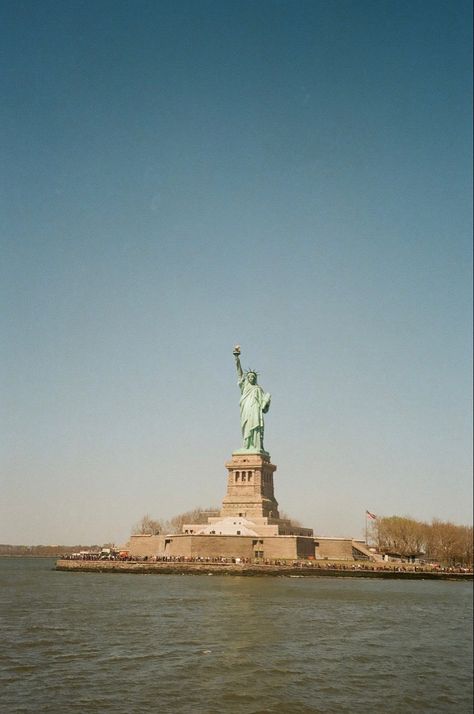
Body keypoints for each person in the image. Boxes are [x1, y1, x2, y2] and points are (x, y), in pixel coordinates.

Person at [233, 346, 271, 451]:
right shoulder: (244, 385)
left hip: (255, 409)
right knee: (247, 426)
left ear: (255, 378)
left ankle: (256, 446)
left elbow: (265, 403)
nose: (251, 378)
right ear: (247, 378)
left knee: (256, 426)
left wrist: (267, 400)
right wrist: (237, 359)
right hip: (246, 408)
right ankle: (246, 445)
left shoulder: (259, 389)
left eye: (253, 377)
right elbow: (239, 373)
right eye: (249, 376)